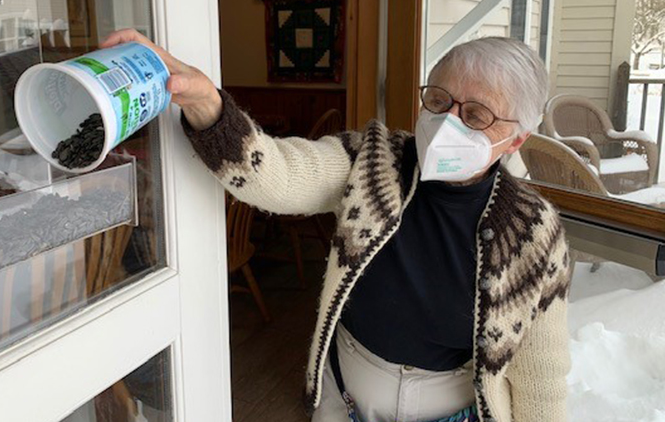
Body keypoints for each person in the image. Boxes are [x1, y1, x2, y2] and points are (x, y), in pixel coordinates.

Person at [100, 31, 572, 422]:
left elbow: (541, 377)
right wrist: (207, 105)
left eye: (475, 115)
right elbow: (278, 174)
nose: (448, 122)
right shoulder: (372, 159)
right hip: (341, 398)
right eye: (439, 99)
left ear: (516, 138)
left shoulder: (534, 233)